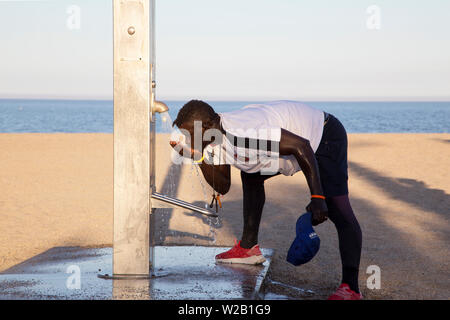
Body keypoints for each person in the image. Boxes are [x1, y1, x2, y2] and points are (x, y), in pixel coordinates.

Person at [170, 100, 363, 300]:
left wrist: (317, 196)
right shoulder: (213, 137)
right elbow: (223, 185)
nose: (186, 139)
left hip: (323, 136)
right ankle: (248, 248)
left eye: (189, 134)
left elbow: (302, 146)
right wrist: (198, 156)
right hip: (292, 146)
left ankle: (351, 288)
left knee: (338, 209)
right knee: (251, 173)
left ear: (208, 126)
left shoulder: (243, 133)